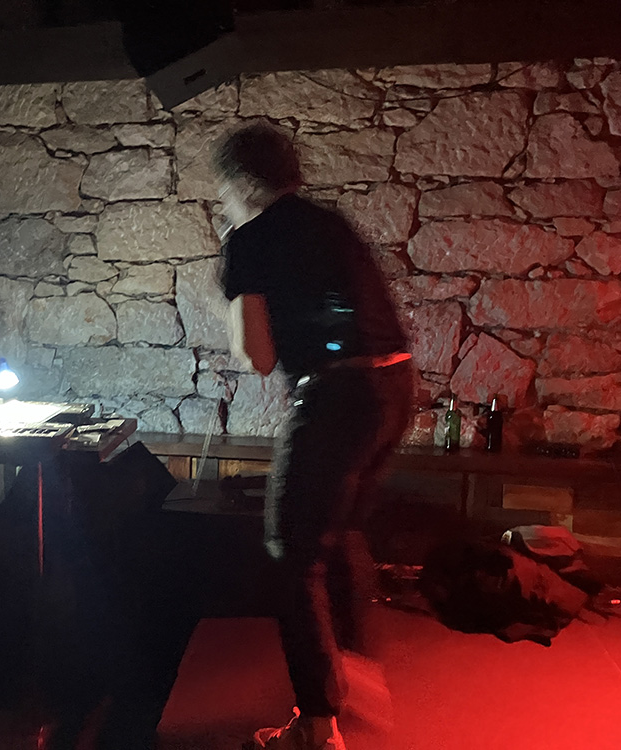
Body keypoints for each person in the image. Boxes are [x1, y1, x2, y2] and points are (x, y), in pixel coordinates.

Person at [213, 123, 414, 750]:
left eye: (223, 189)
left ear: (242, 182)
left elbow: (258, 356)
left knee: (292, 553)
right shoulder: (331, 223)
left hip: (335, 399)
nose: (223, 201)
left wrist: (231, 284)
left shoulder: (249, 238)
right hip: (394, 388)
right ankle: (357, 674)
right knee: (341, 531)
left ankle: (318, 727)